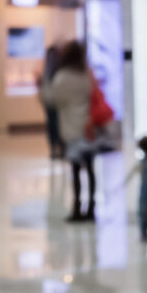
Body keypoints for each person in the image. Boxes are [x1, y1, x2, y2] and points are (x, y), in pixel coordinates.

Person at [43, 40, 102, 221]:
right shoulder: (86, 75)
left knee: (76, 170)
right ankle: (91, 207)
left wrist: (42, 84)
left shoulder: (63, 77)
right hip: (88, 127)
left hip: (72, 128)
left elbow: (51, 99)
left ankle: (77, 207)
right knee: (91, 169)